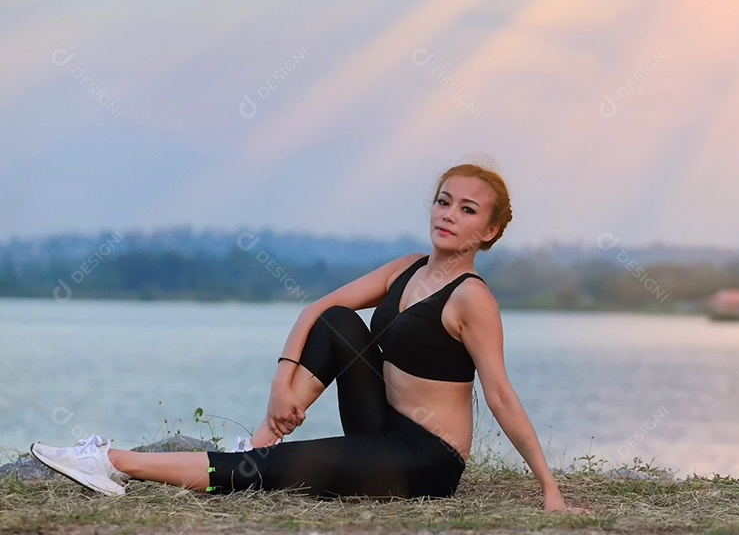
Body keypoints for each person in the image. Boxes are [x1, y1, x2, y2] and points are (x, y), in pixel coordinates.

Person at [31, 163, 588, 513]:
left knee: (268, 476)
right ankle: (260, 438)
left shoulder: (473, 299)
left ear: (487, 232)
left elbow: (501, 396)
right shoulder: (407, 268)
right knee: (339, 322)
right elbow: (320, 309)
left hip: (424, 459)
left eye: (467, 210)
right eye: (444, 200)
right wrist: (282, 386)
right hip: (380, 427)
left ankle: (109, 461)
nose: (448, 214)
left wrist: (549, 488)